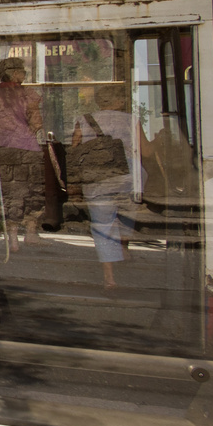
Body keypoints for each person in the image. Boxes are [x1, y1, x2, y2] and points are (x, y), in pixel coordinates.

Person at [70, 84, 136, 289]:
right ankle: (124, 248)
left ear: (99, 101)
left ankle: (109, 277)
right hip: (126, 175)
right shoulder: (130, 120)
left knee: (103, 224)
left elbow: (75, 151)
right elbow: (148, 152)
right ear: (119, 101)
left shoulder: (84, 120)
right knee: (126, 212)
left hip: (97, 178)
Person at [0, 57, 45, 252]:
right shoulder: (27, 94)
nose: (25, 74)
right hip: (26, 148)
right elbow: (37, 122)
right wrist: (26, 133)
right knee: (31, 192)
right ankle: (31, 233)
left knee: (10, 193)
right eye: (22, 71)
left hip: (3, 149)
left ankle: (12, 238)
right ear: (14, 73)